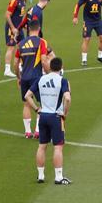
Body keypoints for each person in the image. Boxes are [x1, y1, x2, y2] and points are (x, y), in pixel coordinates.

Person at [25, 57, 71, 185]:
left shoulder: (41, 79)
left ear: (50, 67)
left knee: (42, 146)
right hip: (56, 117)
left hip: (43, 116)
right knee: (58, 147)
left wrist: (36, 109)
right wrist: (65, 113)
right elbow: (67, 98)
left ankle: (40, 175)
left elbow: (27, 96)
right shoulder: (63, 80)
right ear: (61, 67)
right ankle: (58, 177)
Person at [15, 21, 53, 139]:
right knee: (43, 103)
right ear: (39, 28)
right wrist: (49, 74)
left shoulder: (21, 44)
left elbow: (16, 63)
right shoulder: (41, 42)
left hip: (25, 77)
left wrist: (18, 77)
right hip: (37, 78)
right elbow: (43, 60)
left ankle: (27, 132)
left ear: (28, 29)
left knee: (27, 104)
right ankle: (37, 131)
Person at [72, 0, 102, 66]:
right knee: (87, 39)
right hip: (88, 21)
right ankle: (84, 60)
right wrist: (75, 17)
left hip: (98, 21)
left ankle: (100, 57)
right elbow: (78, 5)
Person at [2, 0, 31, 77]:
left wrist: (23, 25)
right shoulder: (14, 1)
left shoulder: (23, 1)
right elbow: (7, 15)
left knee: (22, 46)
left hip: (19, 28)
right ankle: (7, 69)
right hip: (12, 29)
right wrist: (13, 28)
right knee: (11, 47)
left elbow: (20, 16)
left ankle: (20, 65)